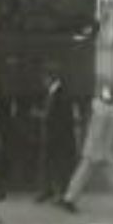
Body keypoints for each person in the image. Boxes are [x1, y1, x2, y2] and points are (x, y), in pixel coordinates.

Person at [57, 83, 113, 213]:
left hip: (92, 149)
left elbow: (96, 131)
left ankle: (69, 199)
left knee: (81, 175)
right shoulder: (110, 112)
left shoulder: (97, 108)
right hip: (103, 150)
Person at [35, 66, 80, 204]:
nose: (42, 82)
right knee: (53, 164)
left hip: (55, 136)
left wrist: (38, 114)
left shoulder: (58, 93)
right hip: (57, 136)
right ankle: (51, 191)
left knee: (54, 165)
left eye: (44, 79)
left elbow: (52, 116)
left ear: (49, 78)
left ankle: (56, 192)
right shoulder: (58, 93)